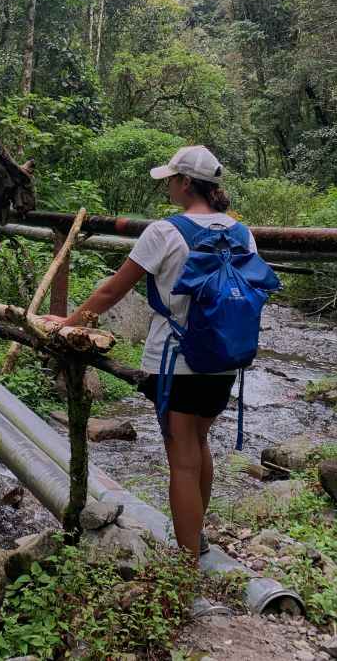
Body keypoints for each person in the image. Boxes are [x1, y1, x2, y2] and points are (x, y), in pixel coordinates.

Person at [43, 145, 256, 561]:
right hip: (225, 358)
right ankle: (198, 537)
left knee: (183, 460)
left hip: (175, 360)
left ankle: (187, 563)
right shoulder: (240, 232)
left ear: (186, 183)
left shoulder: (164, 231)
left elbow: (112, 289)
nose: (168, 187)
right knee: (200, 441)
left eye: (172, 180)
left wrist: (69, 323)